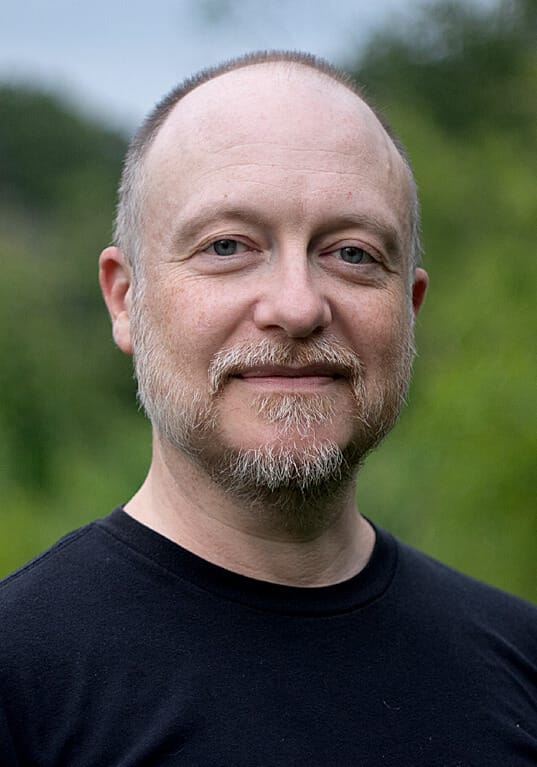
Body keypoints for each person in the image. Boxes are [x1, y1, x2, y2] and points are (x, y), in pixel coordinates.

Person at [1, 51, 535, 766]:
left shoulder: (520, 662)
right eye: (227, 246)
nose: (295, 306)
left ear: (408, 310)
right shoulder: (20, 676)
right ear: (125, 299)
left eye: (350, 253)